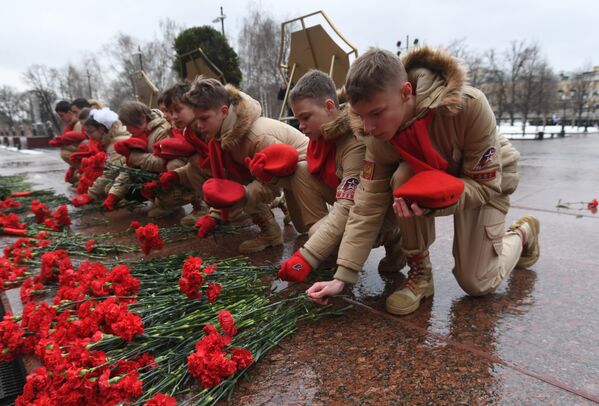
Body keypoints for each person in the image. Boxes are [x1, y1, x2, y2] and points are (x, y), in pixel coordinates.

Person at [306, 47, 540, 316]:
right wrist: (342, 276)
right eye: (360, 115)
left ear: (406, 92)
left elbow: (486, 185)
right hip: (431, 183)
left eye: (377, 113)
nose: (368, 127)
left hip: (483, 181)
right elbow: (366, 204)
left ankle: (523, 234)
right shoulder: (376, 135)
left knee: (477, 282)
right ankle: (421, 273)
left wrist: (435, 201)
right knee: (403, 178)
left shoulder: (467, 105)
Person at [277, 70, 404, 282]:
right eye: (298, 119)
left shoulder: (354, 141)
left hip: (377, 212)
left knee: (320, 236)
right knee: (299, 171)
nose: (301, 126)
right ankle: (327, 246)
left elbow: (349, 207)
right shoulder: (324, 134)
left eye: (306, 117)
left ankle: (395, 237)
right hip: (347, 201)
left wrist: (308, 256)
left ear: (328, 107)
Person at [179, 77, 308, 254]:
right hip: (284, 177)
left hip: (306, 174)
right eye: (197, 119)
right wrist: (214, 215)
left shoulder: (255, 138)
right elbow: (228, 181)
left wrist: (243, 194)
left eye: (204, 118)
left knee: (308, 228)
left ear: (224, 111)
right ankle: (271, 230)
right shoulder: (223, 135)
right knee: (242, 188)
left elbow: (276, 177)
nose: (199, 126)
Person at [117, 100, 195, 218]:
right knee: (132, 178)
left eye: (129, 124)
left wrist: (133, 156)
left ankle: (171, 204)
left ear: (142, 118)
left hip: (176, 173)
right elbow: (127, 168)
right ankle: (160, 201)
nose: (127, 129)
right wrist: (114, 195)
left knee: (171, 167)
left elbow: (161, 163)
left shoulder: (161, 130)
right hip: (158, 176)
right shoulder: (138, 133)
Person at [71, 108, 131, 210]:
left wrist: (90, 195)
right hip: (124, 178)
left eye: (90, 132)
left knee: (108, 188)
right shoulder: (110, 140)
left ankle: (125, 200)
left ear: (102, 129)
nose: (88, 136)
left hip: (133, 182)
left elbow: (110, 173)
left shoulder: (116, 144)